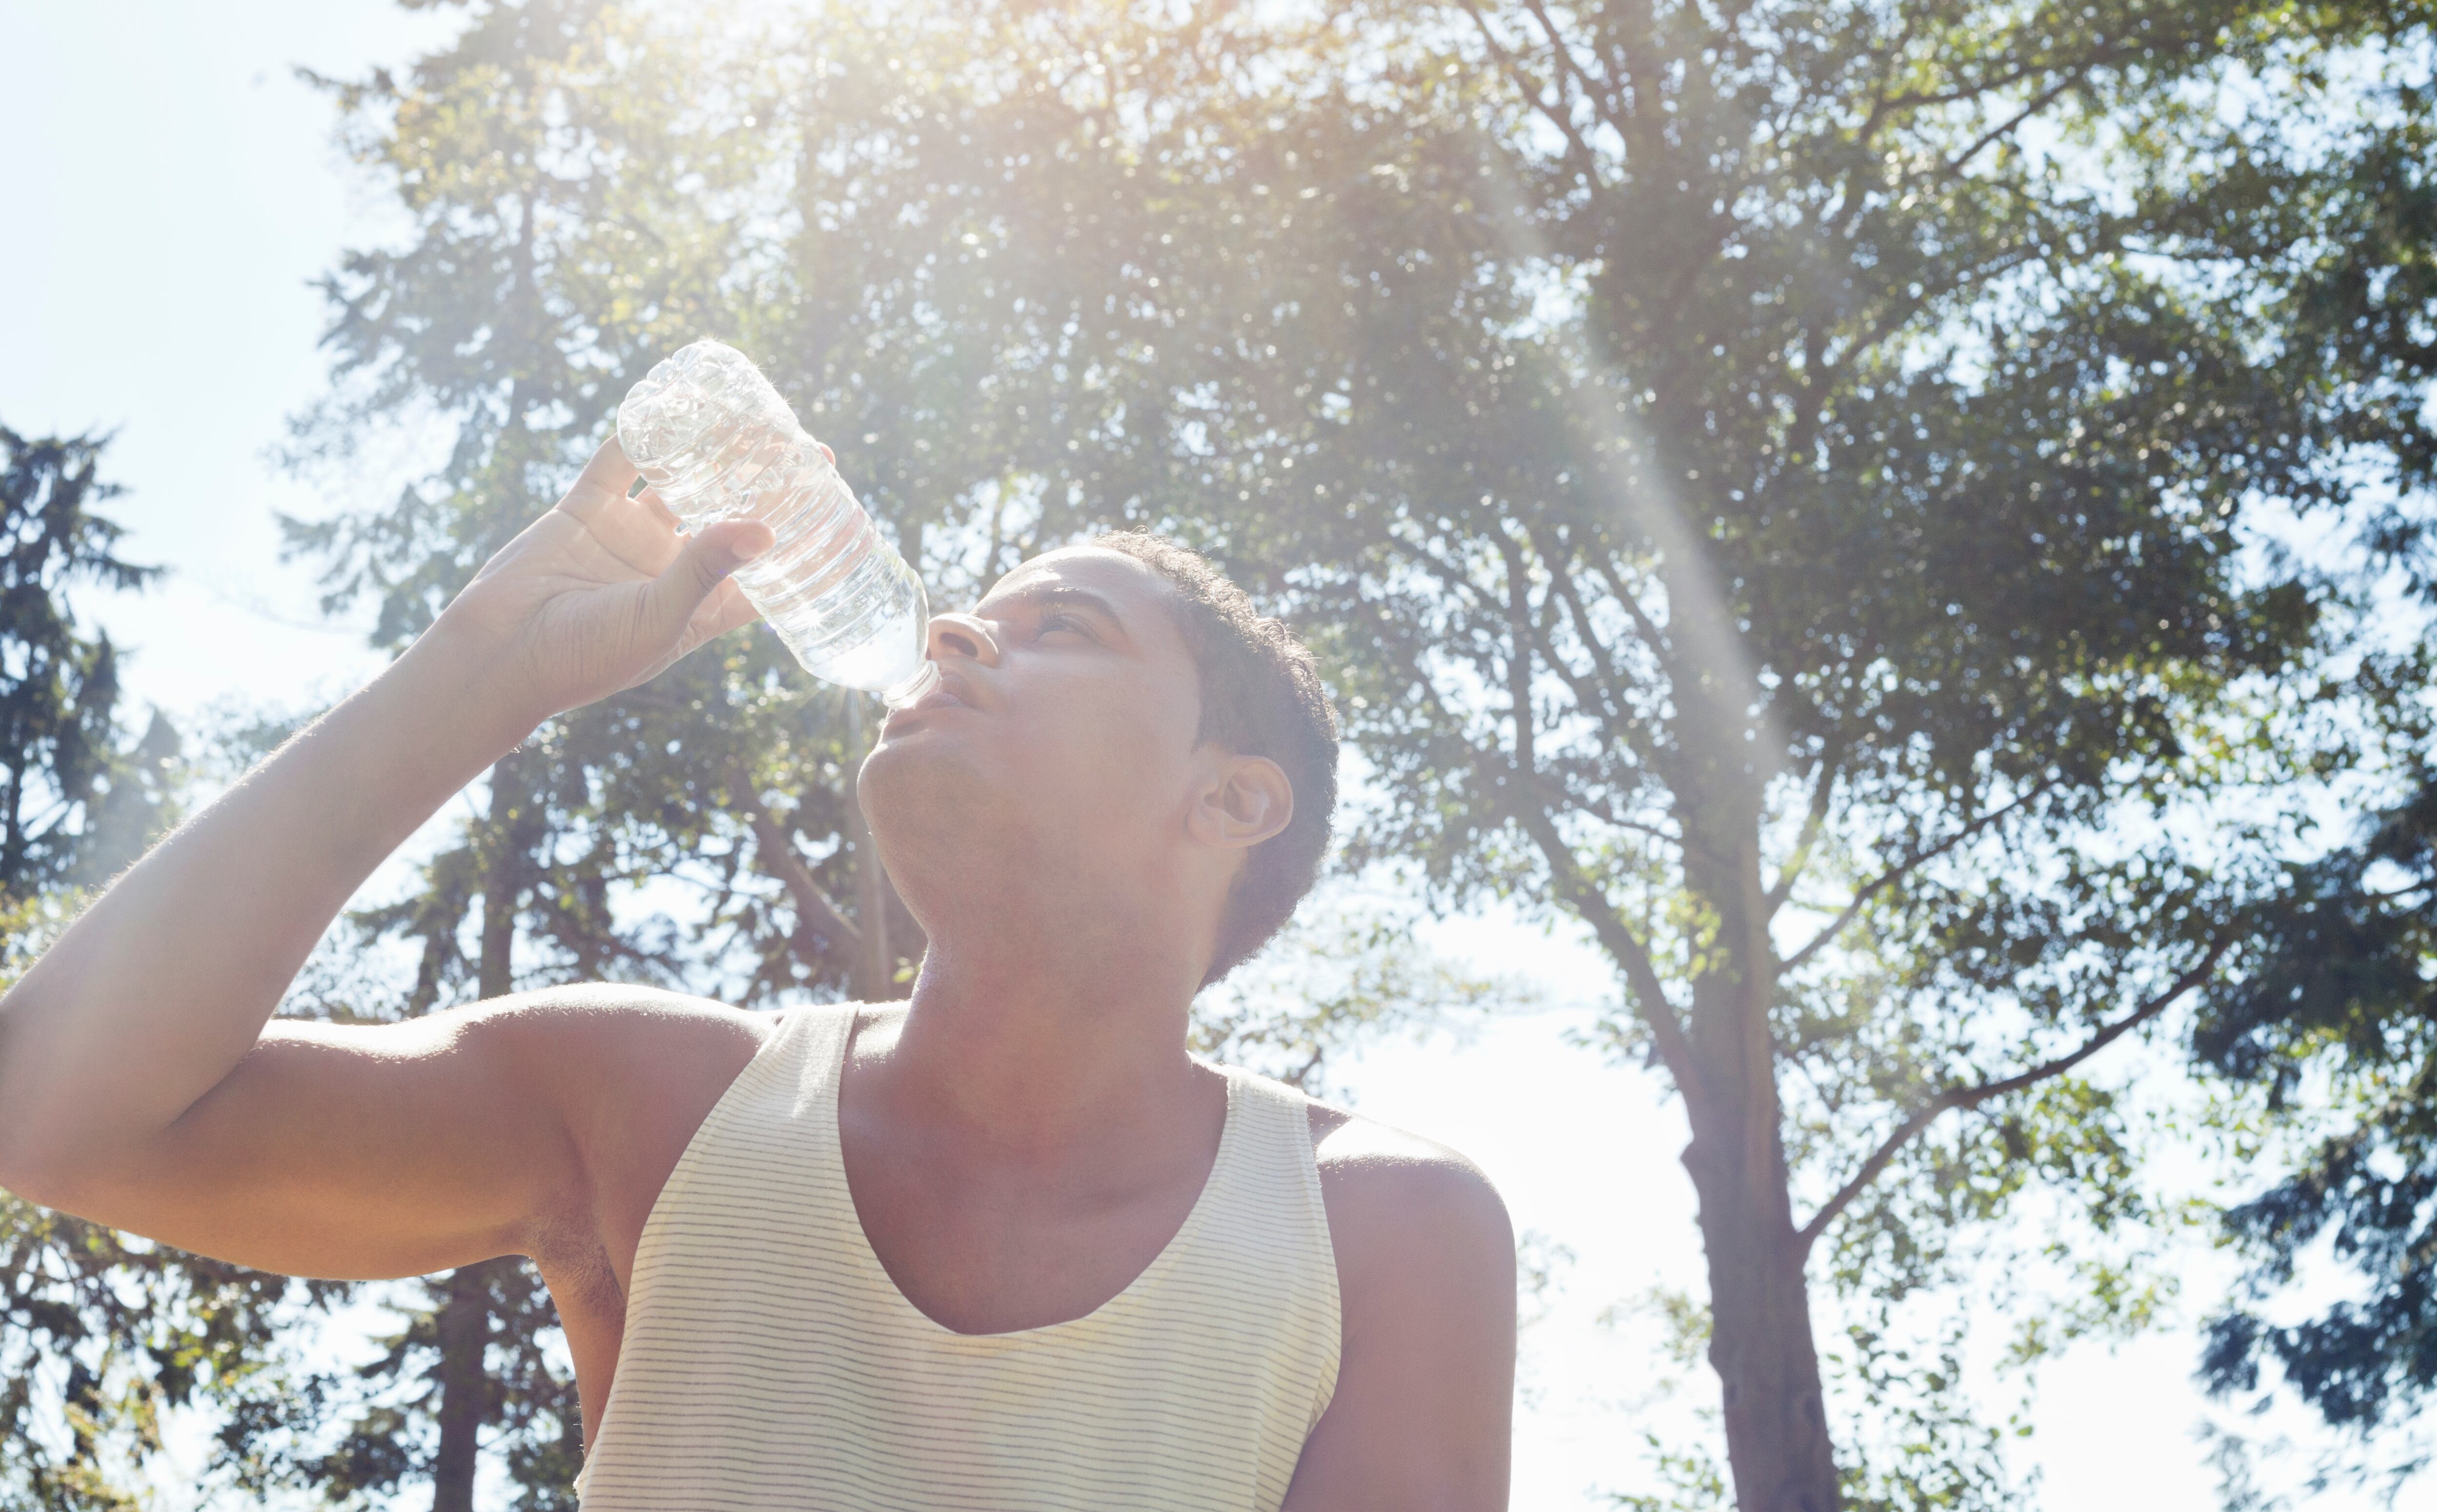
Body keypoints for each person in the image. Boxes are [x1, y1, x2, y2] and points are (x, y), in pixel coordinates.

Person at [0, 439, 1515, 1509]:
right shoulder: (647, 1108)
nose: (958, 632)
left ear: (1235, 801)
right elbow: (58, 1118)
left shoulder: (1378, 1231)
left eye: (1062, 628)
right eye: (975, 611)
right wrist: (488, 667)